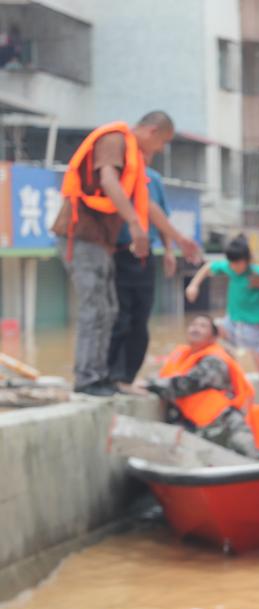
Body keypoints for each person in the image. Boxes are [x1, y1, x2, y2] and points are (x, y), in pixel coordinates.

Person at [52, 111, 174, 396]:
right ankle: (87, 378)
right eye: (162, 142)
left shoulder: (133, 159)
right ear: (152, 131)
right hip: (81, 236)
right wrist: (134, 223)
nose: (160, 149)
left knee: (108, 310)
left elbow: (150, 207)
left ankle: (100, 375)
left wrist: (176, 239)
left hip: (100, 242)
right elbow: (108, 181)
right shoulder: (115, 140)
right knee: (94, 309)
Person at [108, 165, 203, 389]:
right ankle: (114, 376)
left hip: (144, 253)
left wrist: (169, 250)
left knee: (140, 318)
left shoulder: (153, 178)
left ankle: (127, 377)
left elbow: (158, 215)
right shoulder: (116, 175)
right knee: (119, 317)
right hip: (116, 250)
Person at [142, 314, 259, 459]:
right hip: (195, 427)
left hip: (226, 425)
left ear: (213, 338)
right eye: (193, 325)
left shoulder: (216, 360)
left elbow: (189, 383)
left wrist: (150, 385)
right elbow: (165, 377)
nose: (195, 328)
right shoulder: (181, 357)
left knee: (252, 459)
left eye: (203, 326)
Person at [185, 235, 259, 404]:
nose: (234, 267)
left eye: (237, 263)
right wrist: (194, 284)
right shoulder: (229, 268)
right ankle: (203, 369)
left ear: (246, 260)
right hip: (231, 323)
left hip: (252, 326)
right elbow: (208, 267)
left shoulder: (256, 272)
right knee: (209, 331)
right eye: (231, 263)